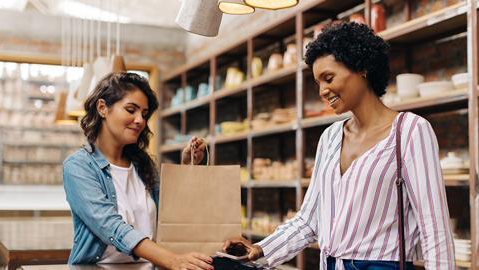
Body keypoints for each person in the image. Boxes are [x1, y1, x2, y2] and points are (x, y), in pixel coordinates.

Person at [223, 22, 455, 269]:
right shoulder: (331, 137)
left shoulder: (409, 131)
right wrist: (261, 248)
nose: (322, 90)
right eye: (317, 83)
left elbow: (435, 230)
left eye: (328, 78)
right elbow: (309, 220)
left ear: (362, 68)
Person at [63, 72, 214, 270]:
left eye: (144, 114)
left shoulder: (142, 165)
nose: (140, 120)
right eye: (131, 110)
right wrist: (172, 260)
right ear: (102, 108)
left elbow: (171, 213)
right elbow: (111, 225)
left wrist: (188, 166)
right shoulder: (78, 166)